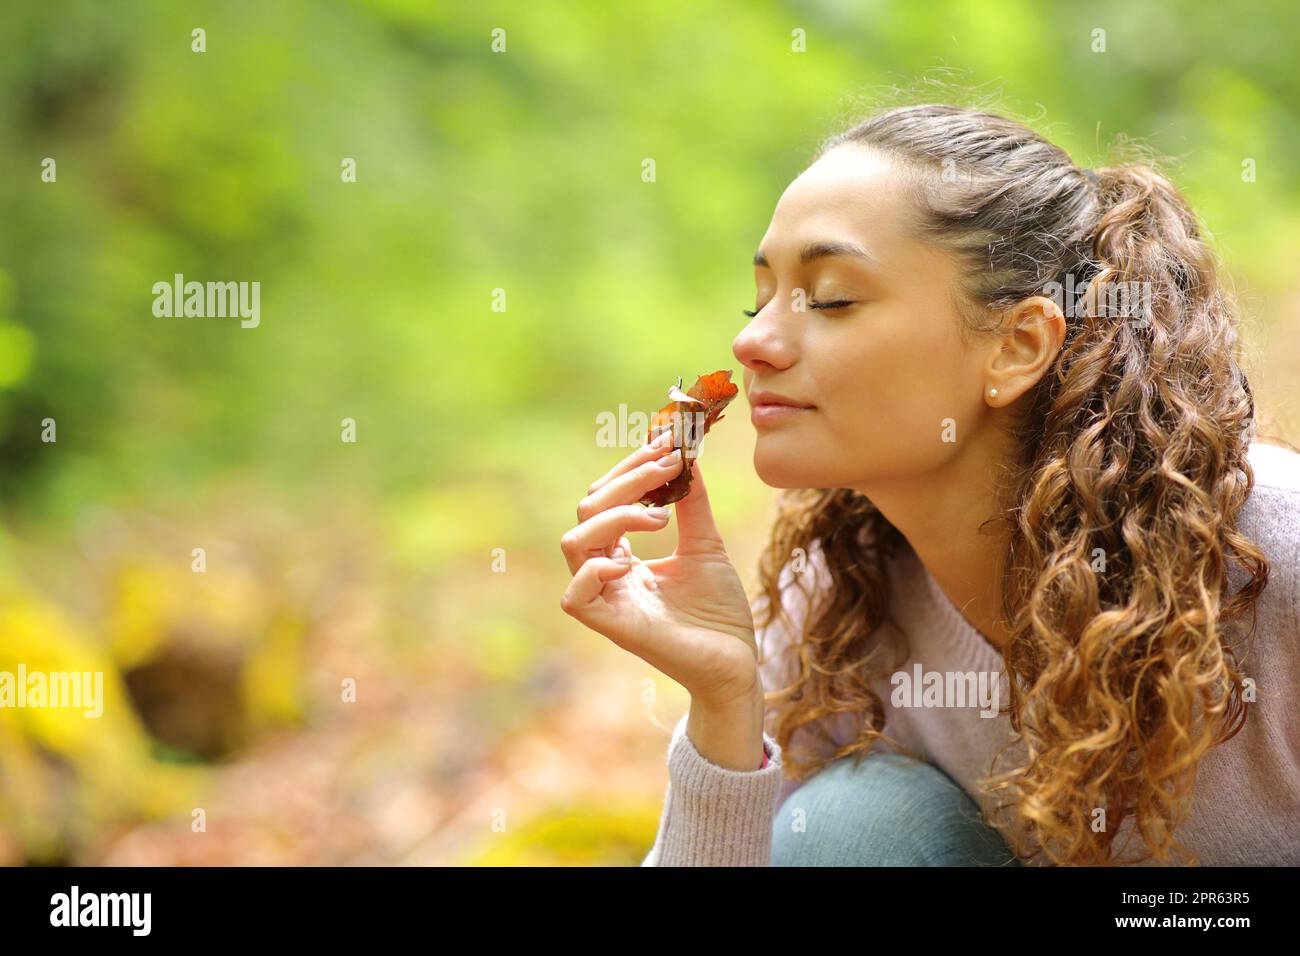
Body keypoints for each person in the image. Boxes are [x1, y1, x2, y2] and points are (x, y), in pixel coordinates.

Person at [559, 103, 1300, 866]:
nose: (751, 341)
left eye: (832, 298)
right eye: (761, 297)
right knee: (857, 826)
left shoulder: (1275, 555)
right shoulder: (843, 596)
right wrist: (723, 702)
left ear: (1017, 347)